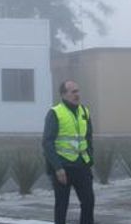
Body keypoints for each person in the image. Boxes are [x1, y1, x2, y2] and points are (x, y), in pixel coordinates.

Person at [42, 80, 94, 224]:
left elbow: (88, 137)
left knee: (89, 202)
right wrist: (58, 168)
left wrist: (90, 158)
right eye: (73, 92)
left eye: (78, 91)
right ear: (64, 94)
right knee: (62, 205)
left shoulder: (84, 111)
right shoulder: (55, 113)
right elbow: (47, 143)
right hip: (63, 168)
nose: (77, 94)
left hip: (82, 165)